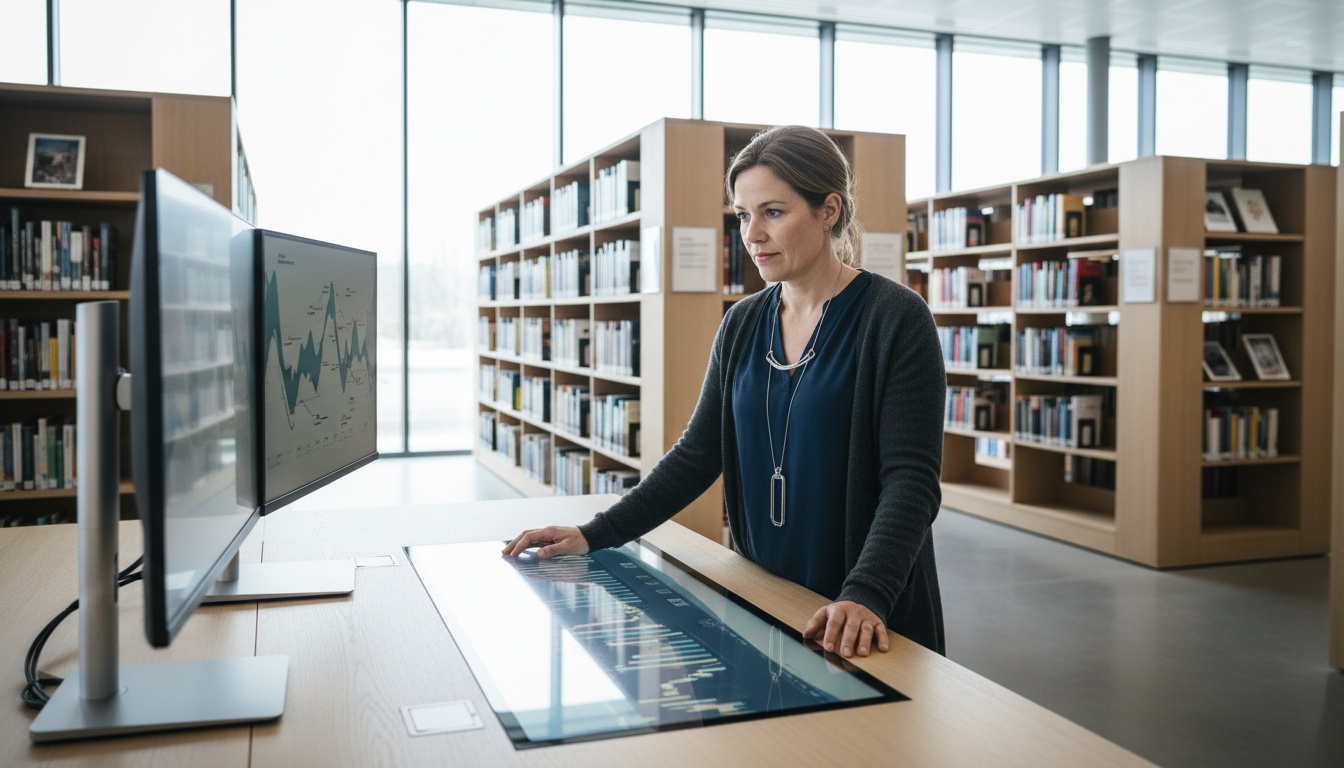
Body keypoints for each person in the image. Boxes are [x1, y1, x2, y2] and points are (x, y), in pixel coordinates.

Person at [504, 125, 947, 657]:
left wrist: (866, 594)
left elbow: (912, 482)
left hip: (865, 613)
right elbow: (698, 453)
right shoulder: (742, 323)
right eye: (742, 215)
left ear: (829, 210)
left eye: (773, 212)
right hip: (765, 592)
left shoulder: (896, 318)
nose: (751, 234)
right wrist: (596, 533)